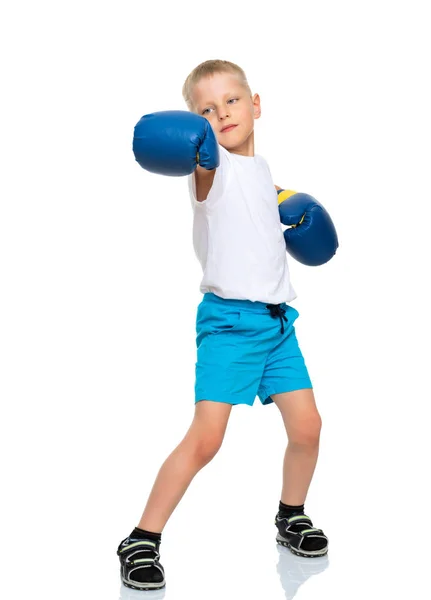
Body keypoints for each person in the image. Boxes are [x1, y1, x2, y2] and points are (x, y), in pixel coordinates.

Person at [117, 59, 335, 591]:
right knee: (206, 440)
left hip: (279, 324)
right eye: (206, 110)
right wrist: (195, 145)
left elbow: (264, 207)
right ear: (196, 127)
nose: (222, 114)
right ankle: (141, 538)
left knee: (308, 428)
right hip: (230, 325)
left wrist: (295, 208)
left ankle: (291, 515)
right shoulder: (207, 169)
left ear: (256, 104)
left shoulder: (261, 172)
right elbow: (211, 174)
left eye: (232, 101)